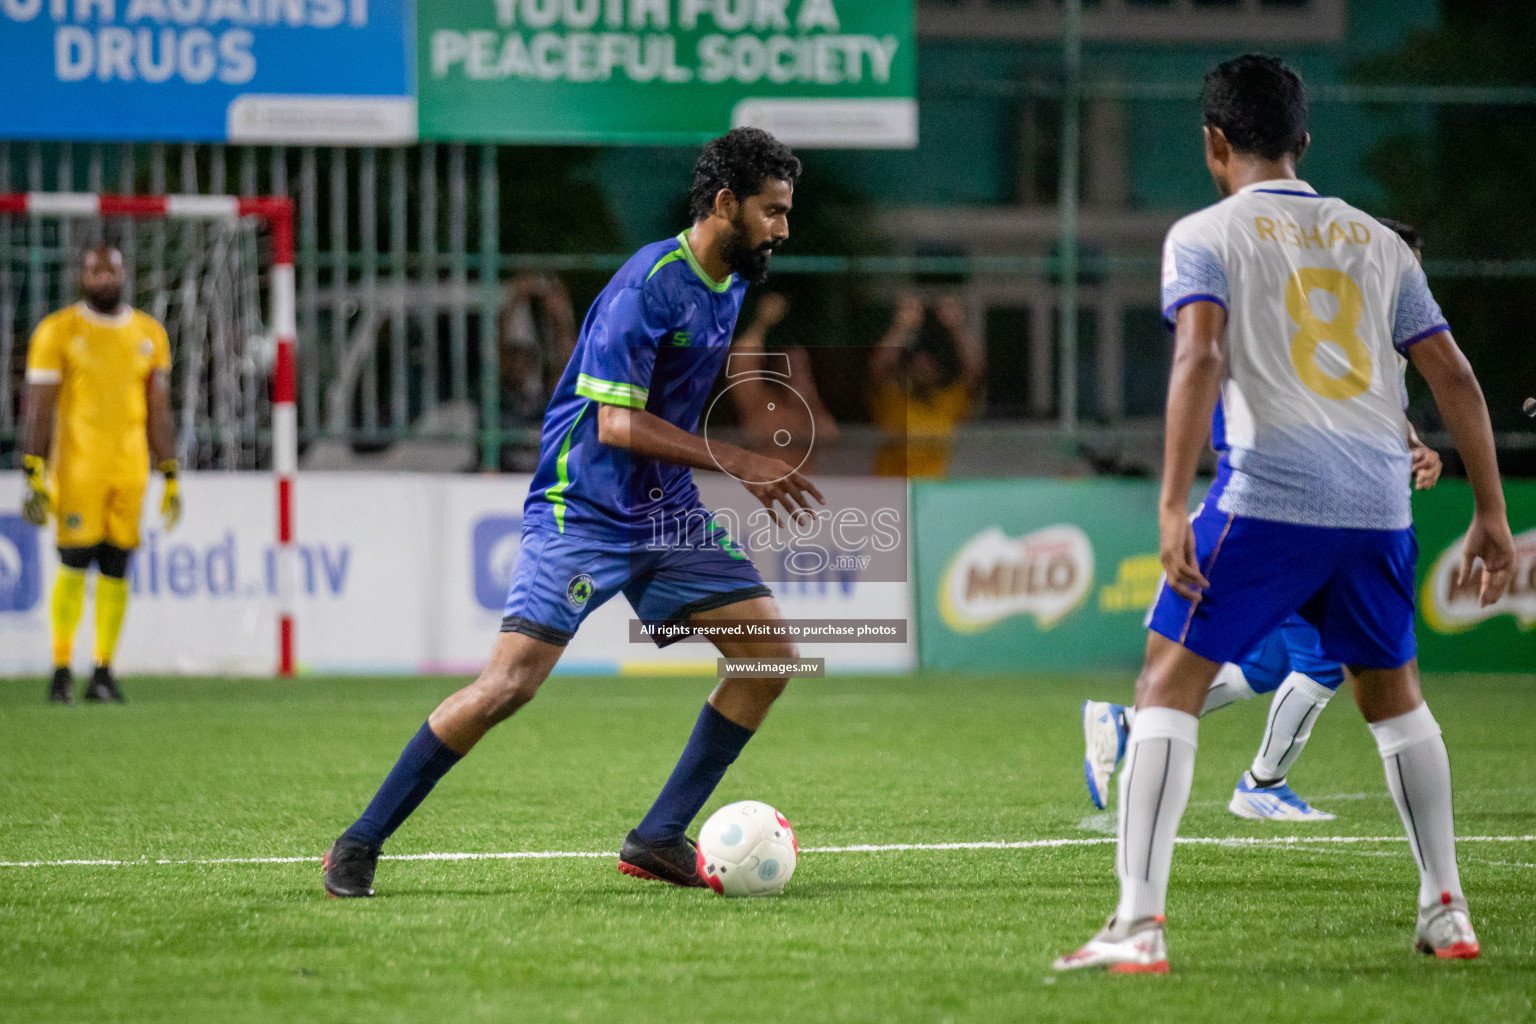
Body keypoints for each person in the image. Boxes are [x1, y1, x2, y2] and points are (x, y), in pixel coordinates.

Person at [1052, 55, 1513, 973]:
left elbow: (1198, 361)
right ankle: (1445, 910)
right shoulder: (1380, 241)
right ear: (1305, 140)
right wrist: (1492, 514)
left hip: (1268, 495)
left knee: (1164, 687)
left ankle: (1137, 926)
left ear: (1214, 142)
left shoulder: (1205, 233)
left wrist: (1175, 499)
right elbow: (1453, 375)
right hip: (1380, 505)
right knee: (1397, 704)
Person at [322, 128, 820, 898]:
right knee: (507, 687)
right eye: (772, 211)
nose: (783, 228)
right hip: (582, 510)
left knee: (767, 659)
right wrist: (739, 459)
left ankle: (658, 837)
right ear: (726, 204)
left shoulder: (732, 281)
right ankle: (358, 842)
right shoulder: (645, 286)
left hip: (666, 512)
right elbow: (616, 425)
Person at [1080, 219, 1445, 824]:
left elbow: (1376, 410)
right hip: (1282, 516)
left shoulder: (1370, 330)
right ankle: (1259, 784)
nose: (1410, 276)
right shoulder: (1325, 316)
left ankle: (1130, 727)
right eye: (1402, 261)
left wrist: (1415, 445)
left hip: (1295, 514)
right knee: (1320, 663)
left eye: (1415, 264)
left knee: (1267, 665)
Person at [20, 245, 181, 705]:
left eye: (110, 268)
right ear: (81, 276)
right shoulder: (58, 331)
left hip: (130, 472)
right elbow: (38, 407)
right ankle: (60, 670)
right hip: (77, 471)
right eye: (94, 270)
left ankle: (103, 671)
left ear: (124, 273)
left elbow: (159, 410)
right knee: (74, 565)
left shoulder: (150, 333)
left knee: (117, 568)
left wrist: (169, 473)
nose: (103, 277)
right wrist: (32, 468)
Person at [869, 293, 984, 477]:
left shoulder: (948, 402)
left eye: (930, 365)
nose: (924, 369)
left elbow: (975, 371)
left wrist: (958, 328)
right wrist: (901, 328)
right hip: (890, 489)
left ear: (939, 371)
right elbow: (879, 367)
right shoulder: (893, 400)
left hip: (932, 492)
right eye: (918, 364)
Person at [725, 292, 838, 474]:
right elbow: (741, 362)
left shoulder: (809, 410)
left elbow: (830, 436)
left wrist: (808, 394)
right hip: (764, 488)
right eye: (790, 367)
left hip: (800, 491)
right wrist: (762, 323)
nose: (796, 373)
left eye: (803, 368)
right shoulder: (761, 403)